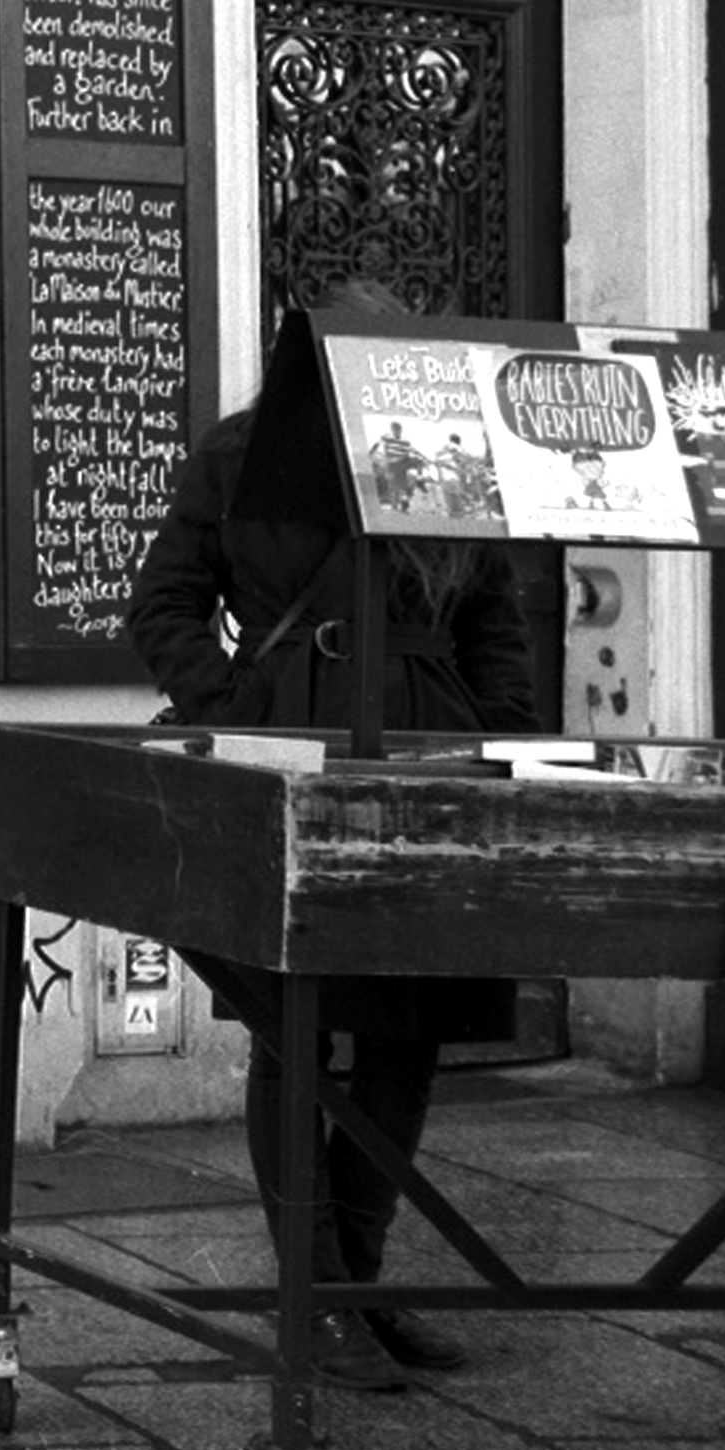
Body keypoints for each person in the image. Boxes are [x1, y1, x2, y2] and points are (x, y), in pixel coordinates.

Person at [121, 282, 534, 1385]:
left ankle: (359, 1282)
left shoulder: (445, 451)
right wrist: (233, 713)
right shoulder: (237, 457)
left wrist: (498, 746)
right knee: (288, 1019)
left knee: (412, 1022)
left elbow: (494, 625)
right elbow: (160, 603)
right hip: (293, 744)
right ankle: (312, 1297)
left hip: (429, 753)